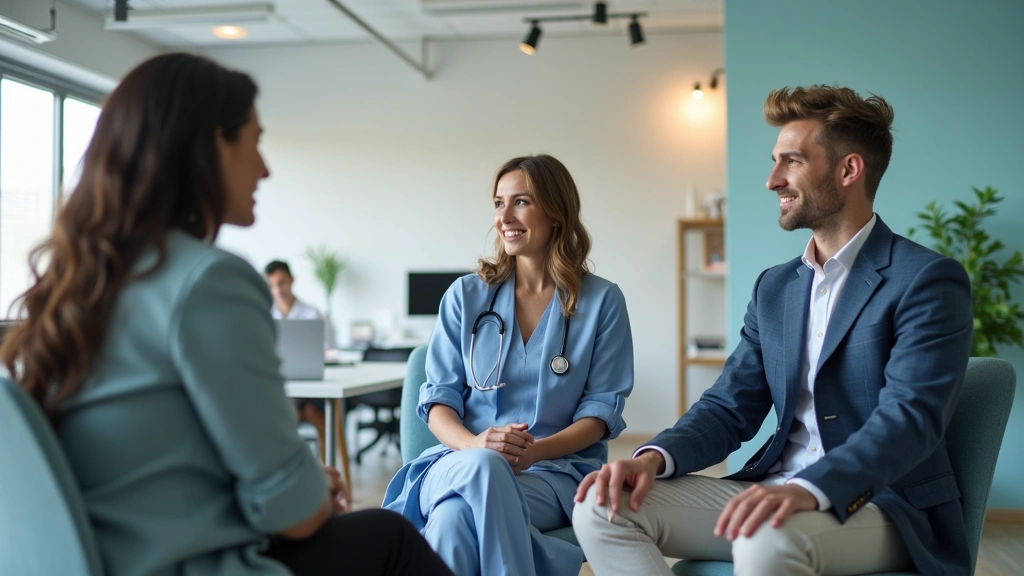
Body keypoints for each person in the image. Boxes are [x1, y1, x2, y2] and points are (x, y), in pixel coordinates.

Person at [0, 53, 453, 576]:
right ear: (213, 144)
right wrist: (305, 491)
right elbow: (298, 515)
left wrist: (294, 491)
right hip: (190, 564)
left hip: (108, 558)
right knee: (390, 535)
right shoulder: (209, 280)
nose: (265, 168)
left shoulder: (80, 282)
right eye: (255, 141)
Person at [572, 85, 973, 576]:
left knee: (766, 536)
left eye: (792, 162)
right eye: (774, 161)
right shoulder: (776, 287)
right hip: (774, 486)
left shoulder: (925, 279)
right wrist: (654, 457)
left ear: (849, 170)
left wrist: (808, 489)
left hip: (882, 505)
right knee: (601, 506)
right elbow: (728, 406)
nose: (771, 180)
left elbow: (909, 419)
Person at [382, 154, 635, 576]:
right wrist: (475, 445)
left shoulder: (602, 302)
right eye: (499, 204)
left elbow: (600, 414)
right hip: (458, 461)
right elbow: (439, 402)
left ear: (556, 212)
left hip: (553, 475)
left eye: (521, 202)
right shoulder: (466, 296)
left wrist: (534, 451)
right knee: (483, 468)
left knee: (453, 521)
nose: (504, 217)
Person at [265, 259, 335, 351]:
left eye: (281, 283)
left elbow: (327, 347)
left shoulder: (312, 314)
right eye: (271, 286)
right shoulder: (265, 316)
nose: (278, 291)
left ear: (291, 279)